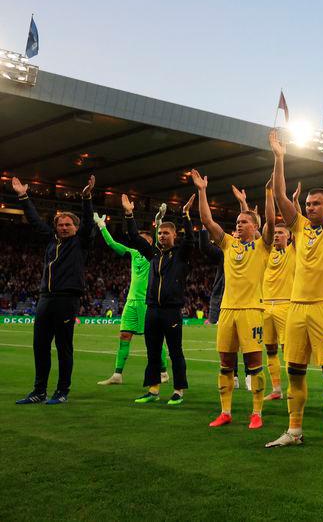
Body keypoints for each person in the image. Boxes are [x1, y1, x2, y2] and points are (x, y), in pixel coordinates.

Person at [264, 125, 323, 453]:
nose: (310, 207)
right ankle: (294, 430)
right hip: (296, 307)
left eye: (317, 204)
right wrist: (279, 158)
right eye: (309, 204)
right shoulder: (299, 227)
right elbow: (282, 197)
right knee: (295, 373)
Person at [193, 170, 275, 430]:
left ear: (254, 226)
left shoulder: (262, 246)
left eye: (244, 222)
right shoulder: (228, 244)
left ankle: (257, 412)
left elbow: (271, 222)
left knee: (254, 365)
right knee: (226, 364)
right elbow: (207, 220)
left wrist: (270, 193)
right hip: (227, 310)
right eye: (237, 222)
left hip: (251, 311)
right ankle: (225, 411)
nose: (238, 225)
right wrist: (202, 191)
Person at [12, 175, 95, 405]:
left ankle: (62, 391)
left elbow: (89, 223)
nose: (64, 227)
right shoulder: (51, 240)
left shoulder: (81, 242)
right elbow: (35, 220)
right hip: (45, 299)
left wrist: (87, 198)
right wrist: (23, 196)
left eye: (68, 224)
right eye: (60, 224)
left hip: (67, 300)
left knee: (63, 347)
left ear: (75, 228)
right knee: (40, 346)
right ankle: (39, 391)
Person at [121, 194, 193, 405]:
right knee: (153, 352)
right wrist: (128, 214)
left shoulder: (181, 254)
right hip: (152, 310)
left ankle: (179, 390)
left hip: (171, 310)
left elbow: (190, 239)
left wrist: (186, 215)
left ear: (174, 236)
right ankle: (153, 390)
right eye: (160, 233)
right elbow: (134, 237)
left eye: (166, 233)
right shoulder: (152, 254)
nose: (162, 236)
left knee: (175, 352)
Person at [94, 206, 173, 386]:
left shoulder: (153, 254)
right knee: (124, 336)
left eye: (144, 240)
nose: (139, 243)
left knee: (154, 339)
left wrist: (158, 219)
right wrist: (102, 227)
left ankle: (163, 372)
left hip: (147, 302)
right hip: (131, 302)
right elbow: (112, 244)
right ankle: (117, 374)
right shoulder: (132, 253)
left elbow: (158, 238)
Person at [262, 182, 301, 401]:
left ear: (288, 236)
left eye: (280, 233)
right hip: (266, 305)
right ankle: (276, 389)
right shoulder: (266, 252)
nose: (276, 235)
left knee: (289, 351)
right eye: (275, 233)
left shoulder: (293, 251)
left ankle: (291, 389)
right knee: (270, 350)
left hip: (286, 304)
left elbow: (299, 225)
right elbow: (266, 223)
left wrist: (294, 202)